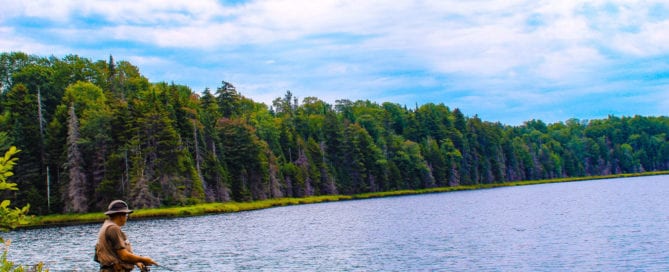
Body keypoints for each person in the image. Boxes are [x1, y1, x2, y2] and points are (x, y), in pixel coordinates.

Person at [95, 200, 158, 272]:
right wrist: (144, 259)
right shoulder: (113, 229)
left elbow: (115, 253)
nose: (126, 217)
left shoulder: (106, 226)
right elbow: (124, 256)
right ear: (121, 215)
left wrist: (136, 262)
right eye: (126, 215)